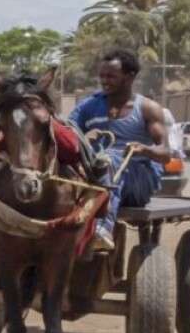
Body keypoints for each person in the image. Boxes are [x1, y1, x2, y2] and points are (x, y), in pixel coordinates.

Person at [72, 49, 174, 245]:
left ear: (130, 77)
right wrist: (83, 138)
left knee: (109, 158)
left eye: (111, 76)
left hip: (137, 182)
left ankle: (103, 228)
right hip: (96, 179)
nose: (104, 81)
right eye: (102, 76)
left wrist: (144, 149)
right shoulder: (87, 107)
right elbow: (67, 137)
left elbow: (165, 154)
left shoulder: (147, 108)